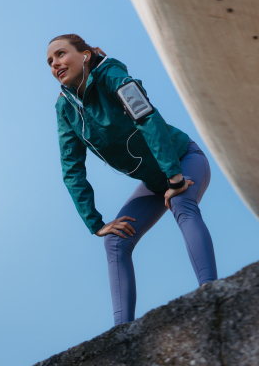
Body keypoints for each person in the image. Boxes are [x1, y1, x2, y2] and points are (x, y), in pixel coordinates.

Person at [46, 34, 218, 326]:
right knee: (115, 240)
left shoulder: (112, 74)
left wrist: (174, 177)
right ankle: (121, 333)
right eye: (50, 62)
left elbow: (145, 117)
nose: (55, 64)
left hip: (182, 159)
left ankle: (212, 293)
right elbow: (72, 169)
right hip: (152, 184)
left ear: (85, 55)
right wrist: (95, 223)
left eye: (61, 54)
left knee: (180, 201)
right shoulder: (65, 109)